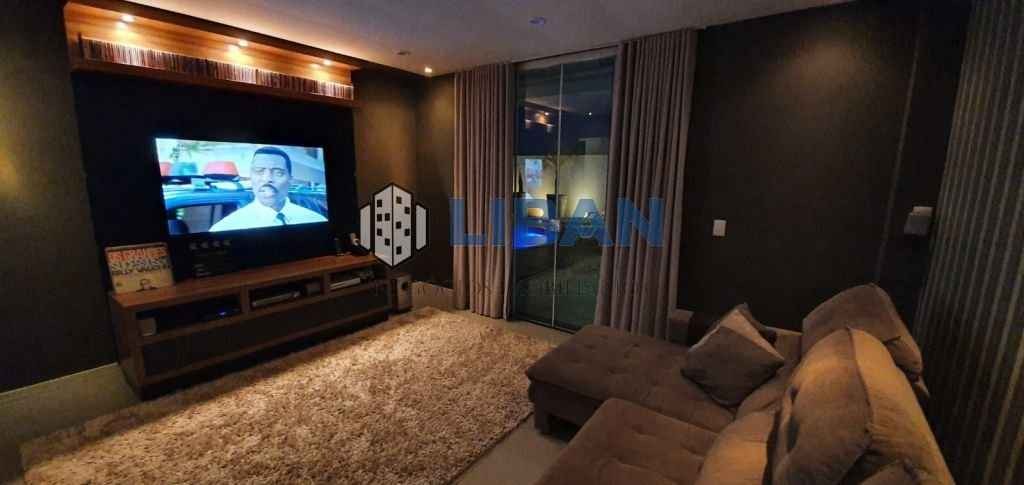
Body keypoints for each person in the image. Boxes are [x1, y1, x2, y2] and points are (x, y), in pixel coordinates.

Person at [210, 147, 326, 232]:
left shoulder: (316, 220)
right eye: (259, 171)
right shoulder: (225, 228)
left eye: (278, 172)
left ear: (290, 179)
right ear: (251, 177)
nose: (267, 179)